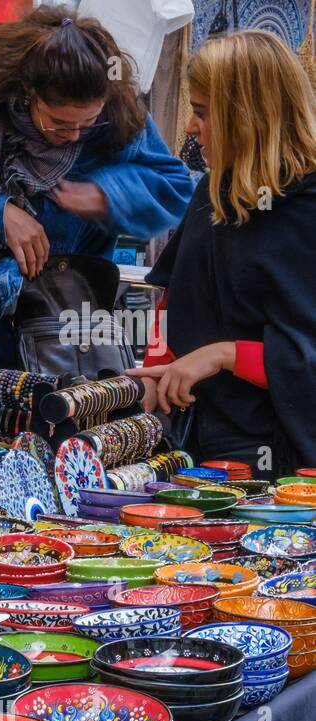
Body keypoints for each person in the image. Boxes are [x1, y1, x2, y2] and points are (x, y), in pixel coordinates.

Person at [0, 6, 194, 369]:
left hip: (65, 330)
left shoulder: (119, 117)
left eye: (88, 122)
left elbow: (174, 187)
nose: (74, 135)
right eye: (59, 123)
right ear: (27, 90)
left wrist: (109, 194)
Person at [127, 30, 316, 476]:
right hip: (193, 435)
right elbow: (172, 297)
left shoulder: (306, 208)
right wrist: (160, 370)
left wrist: (222, 354)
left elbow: (306, 358)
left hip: (278, 454)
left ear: (246, 116)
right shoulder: (214, 194)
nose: (191, 128)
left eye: (202, 113)